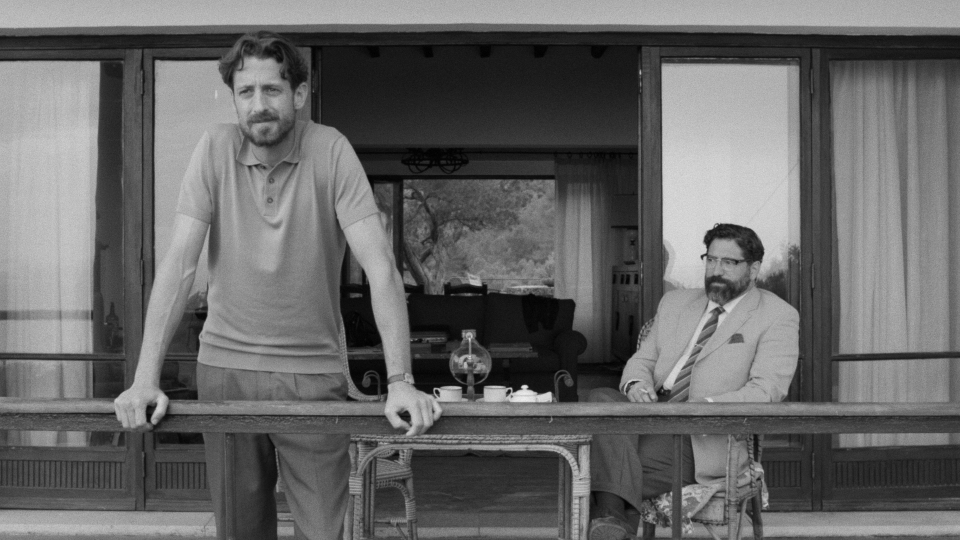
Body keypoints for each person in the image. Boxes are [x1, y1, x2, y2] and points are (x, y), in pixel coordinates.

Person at [113, 31, 441, 540]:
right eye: (246, 92)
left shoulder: (331, 149)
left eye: (271, 90)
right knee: (240, 531)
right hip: (225, 373)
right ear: (233, 97)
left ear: (299, 94)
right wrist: (144, 377)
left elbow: (379, 265)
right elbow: (179, 264)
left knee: (324, 531)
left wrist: (400, 379)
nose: (258, 105)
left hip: (313, 377)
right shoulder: (214, 148)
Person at [588, 223, 799, 540]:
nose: (716, 270)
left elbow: (767, 390)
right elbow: (643, 361)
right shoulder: (674, 303)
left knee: (595, 461)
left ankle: (609, 520)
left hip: (703, 435)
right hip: (650, 413)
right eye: (711, 259)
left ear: (754, 268)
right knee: (600, 399)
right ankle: (612, 521)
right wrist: (636, 384)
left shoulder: (777, 315)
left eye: (729, 262)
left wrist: (704, 407)